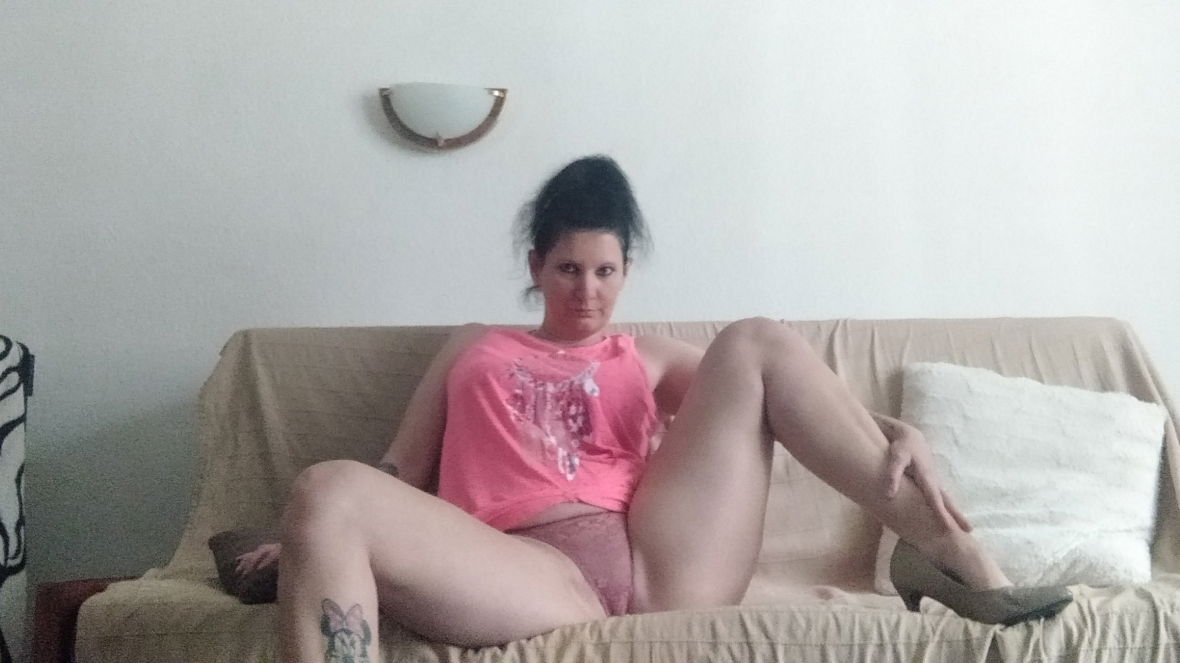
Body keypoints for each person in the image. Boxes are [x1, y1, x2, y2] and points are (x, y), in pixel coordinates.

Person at [255, 155, 1072, 661]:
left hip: (664, 560)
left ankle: (952, 552)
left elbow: (785, 391)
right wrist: (309, 531)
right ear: (536, 265)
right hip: (525, 569)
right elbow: (399, 469)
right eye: (568, 269)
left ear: (626, 270)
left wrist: (890, 427)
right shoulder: (474, 347)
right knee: (327, 487)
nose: (588, 291)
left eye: (606, 271)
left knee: (756, 339)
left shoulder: (640, 356)